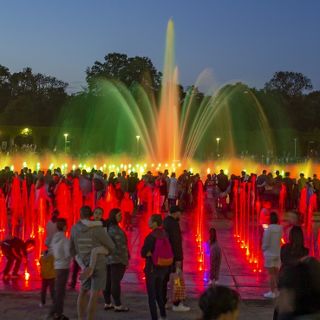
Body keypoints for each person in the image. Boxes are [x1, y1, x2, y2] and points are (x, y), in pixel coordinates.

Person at [70, 206, 115, 320]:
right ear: (91, 215)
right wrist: (104, 251)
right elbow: (111, 246)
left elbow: (72, 250)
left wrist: (81, 261)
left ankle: (80, 318)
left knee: (83, 291)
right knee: (94, 295)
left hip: (84, 264)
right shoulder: (97, 229)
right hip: (98, 263)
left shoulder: (74, 229)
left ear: (80, 215)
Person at [141, 214, 172, 320]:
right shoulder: (165, 234)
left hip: (152, 269)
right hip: (163, 268)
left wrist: (149, 253)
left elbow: (143, 253)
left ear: (154, 223)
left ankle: (155, 318)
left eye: (150, 221)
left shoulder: (150, 237)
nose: (148, 223)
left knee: (151, 296)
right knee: (159, 293)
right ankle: (163, 315)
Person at [163, 205, 190, 312]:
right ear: (176, 213)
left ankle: (163, 302)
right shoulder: (173, 224)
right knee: (178, 279)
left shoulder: (165, 221)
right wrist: (179, 259)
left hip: (167, 256)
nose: (181, 215)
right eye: (180, 213)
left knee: (165, 280)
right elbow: (176, 243)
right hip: (175, 257)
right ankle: (177, 304)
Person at [103, 208, 130, 312]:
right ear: (114, 216)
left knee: (108, 282)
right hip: (117, 260)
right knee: (115, 282)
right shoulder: (115, 230)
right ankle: (118, 305)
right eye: (119, 215)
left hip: (108, 260)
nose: (121, 217)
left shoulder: (108, 228)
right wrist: (126, 259)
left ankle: (107, 303)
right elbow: (120, 247)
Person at [75, 207, 110, 281]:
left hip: (104, 247)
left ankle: (90, 271)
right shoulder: (91, 223)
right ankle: (85, 269)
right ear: (93, 214)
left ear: (102, 215)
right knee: (76, 254)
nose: (97, 215)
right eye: (96, 213)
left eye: (100, 214)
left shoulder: (103, 224)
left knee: (94, 250)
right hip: (94, 246)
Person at [50, 218, 71, 320]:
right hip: (64, 267)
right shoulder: (65, 240)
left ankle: (54, 311)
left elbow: (52, 251)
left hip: (56, 266)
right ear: (64, 227)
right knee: (60, 292)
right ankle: (58, 314)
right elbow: (68, 254)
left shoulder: (54, 239)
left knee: (57, 290)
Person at [262, 211, 283, 299]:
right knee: (277, 274)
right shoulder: (280, 228)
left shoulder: (269, 229)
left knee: (271, 274)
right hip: (278, 253)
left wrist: (263, 249)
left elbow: (266, 242)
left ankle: (272, 292)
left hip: (269, 254)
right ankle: (277, 291)